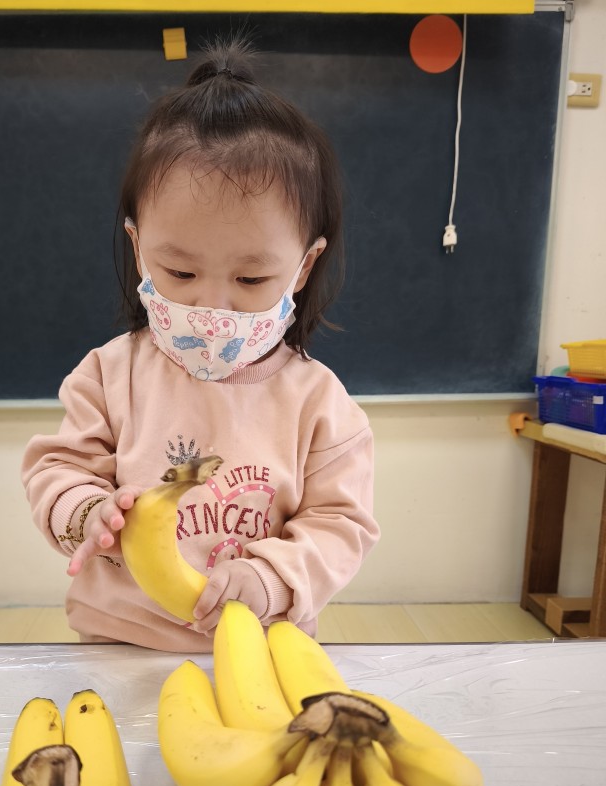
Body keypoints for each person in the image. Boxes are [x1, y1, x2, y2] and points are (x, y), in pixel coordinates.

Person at [22, 38, 380, 652]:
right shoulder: (108, 375)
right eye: (181, 272)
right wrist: (85, 513)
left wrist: (271, 577)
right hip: (120, 644)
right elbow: (59, 470)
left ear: (303, 266)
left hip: (259, 650)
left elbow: (340, 524)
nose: (212, 307)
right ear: (139, 248)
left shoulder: (319, 403)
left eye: (251, 278)